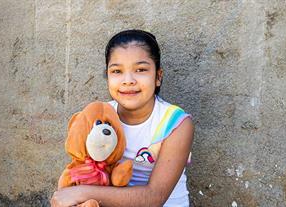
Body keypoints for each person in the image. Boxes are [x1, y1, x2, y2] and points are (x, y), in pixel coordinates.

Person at [51, 29, 194, 207]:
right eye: (117, 71)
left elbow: (154, 197)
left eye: (140, 69)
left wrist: (80, 193)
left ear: (158, 77)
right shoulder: (100, 116)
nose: (128, 80)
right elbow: (81, 167)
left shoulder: (175, 123)